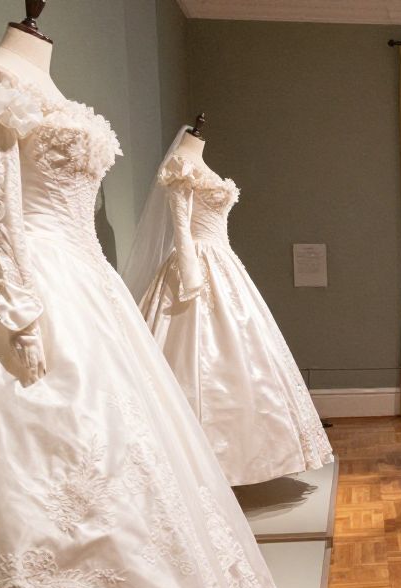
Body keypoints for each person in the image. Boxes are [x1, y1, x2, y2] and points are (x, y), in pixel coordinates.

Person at [0, 23, 294, 588]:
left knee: (145, 463)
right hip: (41, 290)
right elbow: (0, 204)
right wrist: (17, 305)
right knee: (53, 477)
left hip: (89, 285)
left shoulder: (44, 85)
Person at [126, 126, 333, 486]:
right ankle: (200, 465)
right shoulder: (181, 163)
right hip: (197, 265)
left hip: (222, 261)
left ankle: (245, 459)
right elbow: (180, 224)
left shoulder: (199, 164)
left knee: (247, 353)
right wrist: (191, 276)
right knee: (198, 357)